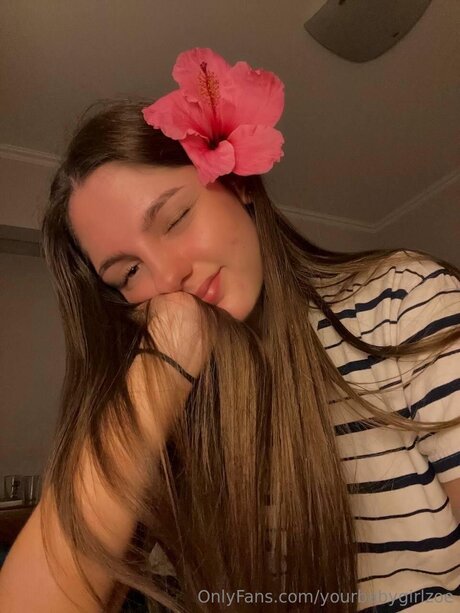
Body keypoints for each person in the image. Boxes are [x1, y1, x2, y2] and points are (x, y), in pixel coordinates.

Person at [0, 47, 459, 613]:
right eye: (130, 273)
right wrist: (159, 375)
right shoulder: (162, 404)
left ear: (238, 184)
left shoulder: (400, 300)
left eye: (176, 218)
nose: (168, 275)